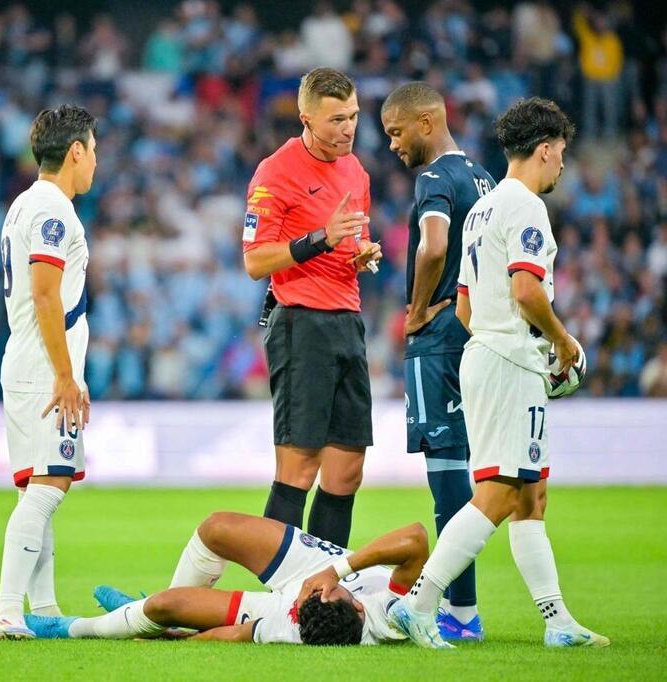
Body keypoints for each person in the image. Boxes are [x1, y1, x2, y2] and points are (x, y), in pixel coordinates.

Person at [387, 98, 609, 649]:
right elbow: (527, 289)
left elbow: (464, 305)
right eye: (561, 154)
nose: (562, 165)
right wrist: (560, 342)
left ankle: (557, 621)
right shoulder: (521, 205)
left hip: (484, 354)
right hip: (511, 361)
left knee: (530, 497)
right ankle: (421, 605)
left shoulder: (483, 210)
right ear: (545, 149)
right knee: (496, 495)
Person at [242, 67, 381, 548]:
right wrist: (321, 239)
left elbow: (352, 238)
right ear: (305, 118)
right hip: (300, 324)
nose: (348, 129)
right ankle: (276, 593)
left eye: (354, 116)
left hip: (348, 321)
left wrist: (361, 253)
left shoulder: (356, 171)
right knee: (298, 468)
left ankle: (324, 591)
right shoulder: (275, 172)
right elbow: (255, 260)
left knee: (346, 472)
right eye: (337, 119)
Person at [380, 81, 496, 642]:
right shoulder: (485, 179)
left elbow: (432, 245)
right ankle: (462, 607)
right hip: (478, 334)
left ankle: (461, 614)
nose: (394, 146)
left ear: (426, 122)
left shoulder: (434, 179)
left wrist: (419, 309)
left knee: (447, 475)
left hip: (441, 338)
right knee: (475, 474)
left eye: (396, 132)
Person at [0, 105, 98, 640]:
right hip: (42, 369)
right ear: (76, 151)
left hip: (24, 361)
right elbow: (46, 291)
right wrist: (65, 374)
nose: (95, 161)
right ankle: (8, 610)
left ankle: (44, 606)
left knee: (38, 487)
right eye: (93, 149)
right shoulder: (55, 211)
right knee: (49, 486)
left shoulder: (20, 205)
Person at [21, 511, 422, 646]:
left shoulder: (295, 625)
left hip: (290, 603)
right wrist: (333, 572)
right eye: (327, 592)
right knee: (217, 529)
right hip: (319, 563)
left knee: (165, 606)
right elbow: (416, 539)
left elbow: (235, 635)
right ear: (356, 603)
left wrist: (172, 638)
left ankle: (71, 628)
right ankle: (138, 612)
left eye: (322, 593)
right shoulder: (389, 614)